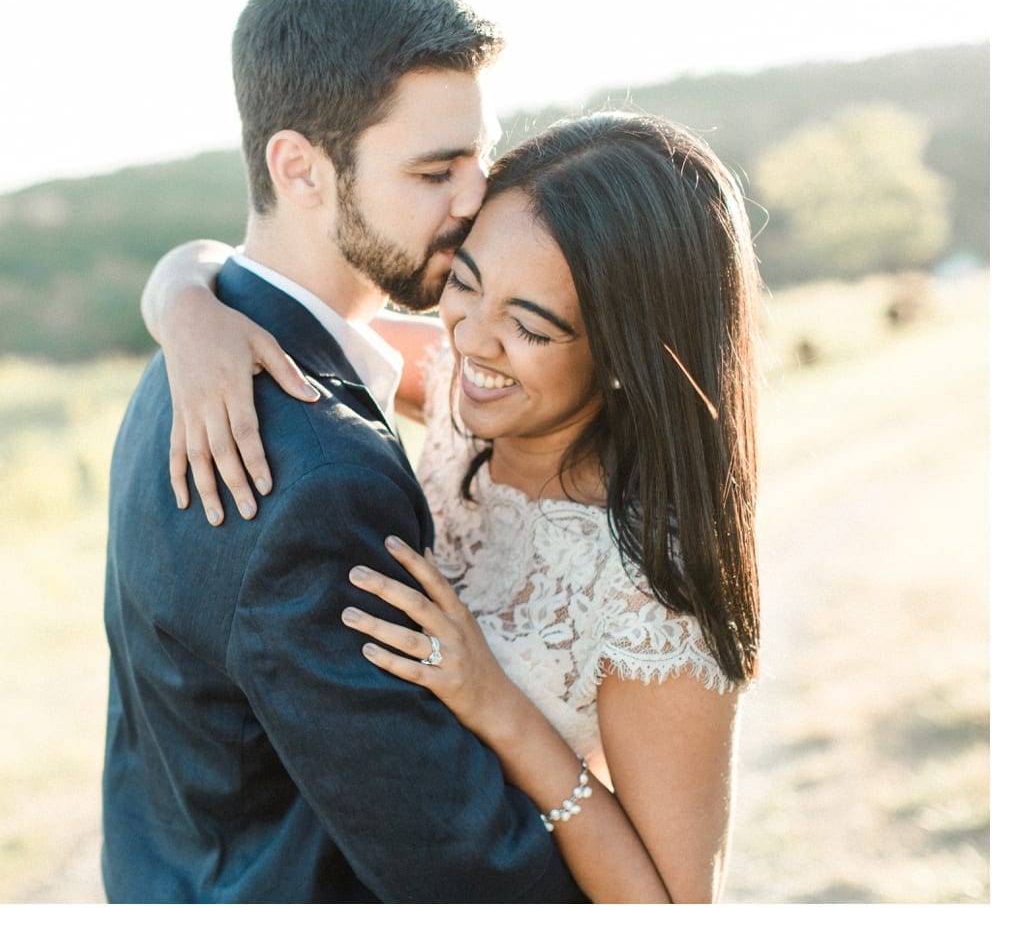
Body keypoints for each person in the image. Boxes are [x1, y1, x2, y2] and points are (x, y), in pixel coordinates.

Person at [144, 111, 763, 901]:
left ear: (625, 353)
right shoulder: (454, 386)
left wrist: (503, 711)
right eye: (464, 283)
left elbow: (673, 908)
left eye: (528, 326)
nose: (473, 340)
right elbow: (240, 278)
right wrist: (187, 312)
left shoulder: (654, 593)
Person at [101, 0, 583, 903]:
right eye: (435, 172)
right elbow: (445, 852)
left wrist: (178, 290)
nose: (476, 199)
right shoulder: (317, 475)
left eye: (479, 160)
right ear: (300, 168)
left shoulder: (180, 365)